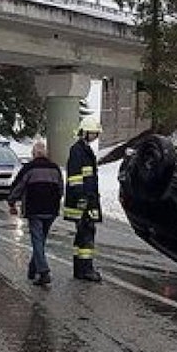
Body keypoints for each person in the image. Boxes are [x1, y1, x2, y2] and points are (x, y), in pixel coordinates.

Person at [7, 141, 63, 286]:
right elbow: (60, 190)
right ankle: (33, 269)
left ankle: (43, 272)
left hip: (34, 209)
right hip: (51, 210)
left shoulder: (29, 168)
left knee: (37, 240)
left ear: (33, 154)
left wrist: (11, 202)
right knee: (40, 240)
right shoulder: (55, 168)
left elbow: (18, 186)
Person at [63, 116, 103, 282]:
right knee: (86, 233)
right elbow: (75, 178)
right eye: (93, 133)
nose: (95, 136)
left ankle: (81, 269)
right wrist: (81, 198)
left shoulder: (85, 149)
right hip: (82, 200)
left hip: (88, 199)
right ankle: (85, 269)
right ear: (85, 132)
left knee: (84, 234)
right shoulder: (78, 150)